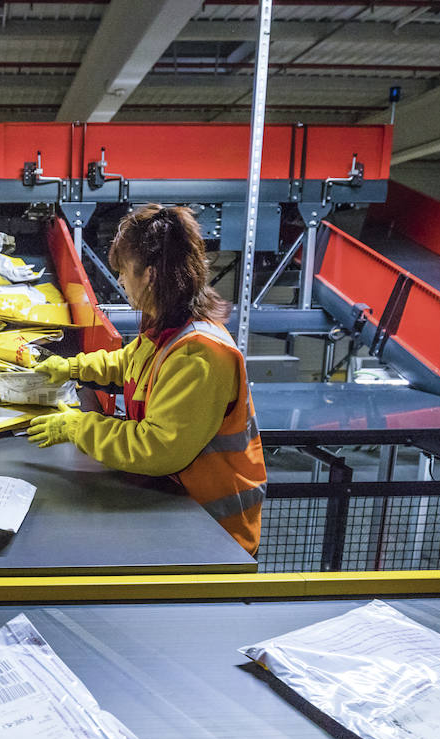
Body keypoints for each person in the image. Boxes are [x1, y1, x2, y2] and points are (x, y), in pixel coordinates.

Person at [27, 204, 265, 554]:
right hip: (175, 512)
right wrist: (72, 368)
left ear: (150, 275)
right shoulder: (168, 327)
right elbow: (129, 363)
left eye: (124, 271)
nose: (121, 281)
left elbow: (156, 447)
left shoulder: (200, 354)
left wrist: (77, 428)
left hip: (213, 535)